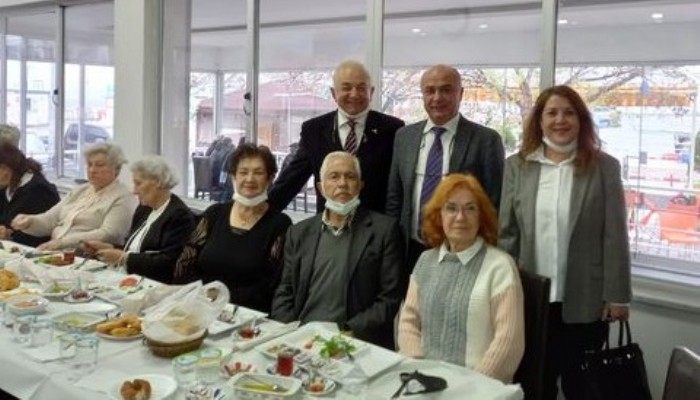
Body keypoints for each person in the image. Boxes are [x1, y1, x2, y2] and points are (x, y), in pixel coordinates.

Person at [498, 85, 631, 400]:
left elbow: (615, 235)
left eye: (569, 112)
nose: (560, 120)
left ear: (581, 120)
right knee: (535, 385)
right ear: (540, 120)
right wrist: (501, 290)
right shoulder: (517, 166)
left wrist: (618, 296)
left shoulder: (604, 167)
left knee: (581, 388)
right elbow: (507, 234)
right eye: (552, 112)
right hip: (531, 301)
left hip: (585, 301)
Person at [397, 174, 524, 383]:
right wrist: (417, 372)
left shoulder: (500, 267)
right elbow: (408, 322)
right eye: (451, 208)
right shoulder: (425, 261)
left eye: (470, 208)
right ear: (439, 216)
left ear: (481, 216)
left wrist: (470, 387)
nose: (460, 217)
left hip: (480, 389)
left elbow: (508, 343)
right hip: (424, 383)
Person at [271, 152, 405, 349]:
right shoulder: (299, 233)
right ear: (320, 187)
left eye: (350, 177)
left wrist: (344, 331)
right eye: (334, 176)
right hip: (301, 338)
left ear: (360, 185)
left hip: (353, 341)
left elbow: (390, 299)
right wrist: (294, 332)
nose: (342, 183)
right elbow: (285, 290)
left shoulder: (384, 231)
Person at [386, 64, 505, 275]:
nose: (437, 97)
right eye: (430, 91)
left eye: (446, 89)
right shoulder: (404, 137)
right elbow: (395, 198)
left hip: (462, 252)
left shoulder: (485, 140)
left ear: (460, 94)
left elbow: (494, 203)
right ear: (422, 95)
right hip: (410, 250)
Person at [269, 60, 404, 214]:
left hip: (376, 229)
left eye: (361, 88)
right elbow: (292, 179)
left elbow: (399, 186)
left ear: (371, 92)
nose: (354, 94)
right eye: (346, 88)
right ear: (334, 93)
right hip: (328, 228)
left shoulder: (393, 129)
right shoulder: (313, 130)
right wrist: (261, 214)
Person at [174, 143, 291, 313]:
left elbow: (271, 284)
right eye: (243, 172)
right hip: (198, 307)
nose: (249, 179)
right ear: (233, 177)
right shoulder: (214, 214)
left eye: (258, 173)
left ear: (270, 178)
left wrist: (222, 301)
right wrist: (199, 298)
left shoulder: (280, 224)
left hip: (246, 317)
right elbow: (184, 264)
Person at [83, 155, 195, 284]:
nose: (134, 191)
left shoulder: (179, 215)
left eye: (138, 183)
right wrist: (109, 247)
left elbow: (168, 263)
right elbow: (134, 248)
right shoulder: (144, 209)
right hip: (127, 277)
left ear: (158, 182)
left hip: (152, 284)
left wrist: (123, 258)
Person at [11, 142, 136, 250]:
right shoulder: (81, 190)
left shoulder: (123, 197)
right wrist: (29, 222)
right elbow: (50, 219)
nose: (92, 170)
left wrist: (63, 243)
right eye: (89, 164)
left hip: (91, 259)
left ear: (117, 169)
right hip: (58, 253)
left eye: (100, 165)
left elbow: (109, 234)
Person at [0, 143, 60, 247]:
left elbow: (42, 231)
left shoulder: (39, 190)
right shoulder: (7, 186)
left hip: (37, 250)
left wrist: (10, 234)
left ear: (7, 168)